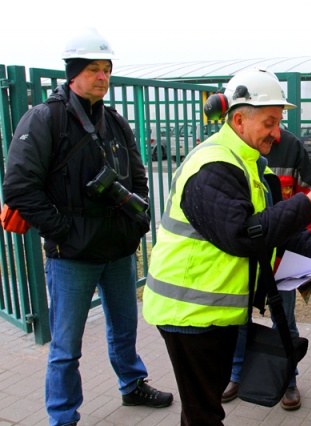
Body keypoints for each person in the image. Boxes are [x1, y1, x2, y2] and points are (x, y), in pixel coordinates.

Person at [142, 68, 311, 425]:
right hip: (189, 314)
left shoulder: (247, 164)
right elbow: (243, 235)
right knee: (204, 411)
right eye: (269, 123)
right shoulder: (212, 166)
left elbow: (272, 222)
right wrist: (306, 205)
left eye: (278, 123)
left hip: (212, 310)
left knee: (205, 407)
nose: (277, 133)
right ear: (238, 119)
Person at [1, 28, 173, 426]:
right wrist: (62, 232)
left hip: (117, 250)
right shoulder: (46, 118)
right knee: (66, 346)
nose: (103, 77)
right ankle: (62, 415)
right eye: (94, 69)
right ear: (73, 74)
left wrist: (138, 222)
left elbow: (138, 175)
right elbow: (19, 187)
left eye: (107, 69)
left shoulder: (114, 120)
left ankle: (132, 386)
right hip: (71, 256)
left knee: (124, 330)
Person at [222, 127, 311, 410]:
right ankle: (236, 373)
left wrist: (304, 253)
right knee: (239, 318)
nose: (269, 129)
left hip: (283, 257)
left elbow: (309, 200)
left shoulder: (291, 146)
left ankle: (288, 379)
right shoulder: (230, 150)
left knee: (284, 320)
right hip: (244, 258)